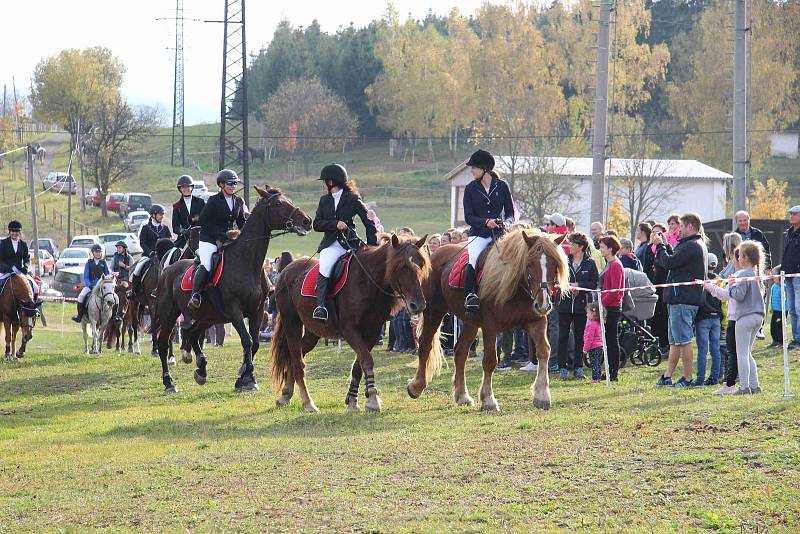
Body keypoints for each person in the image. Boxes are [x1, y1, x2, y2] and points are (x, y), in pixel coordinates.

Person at [311, 163, 377, 321]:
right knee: (325, 265)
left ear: (331, 182)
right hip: (331, 245)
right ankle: (321, 307)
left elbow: (369, 223)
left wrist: (372, 247)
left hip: (350, 244)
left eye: (325, 181)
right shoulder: (324, 200)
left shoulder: (353, 199)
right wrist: (335, 224)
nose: (323, 184)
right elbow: (317, 224)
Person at [653, 213, 708, 388]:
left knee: (683, 340)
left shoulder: (692, 246)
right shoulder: (689, 245)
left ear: (690, 227)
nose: (679, 229)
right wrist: (667, 245)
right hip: (678, 299)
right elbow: (675, 261)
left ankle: (687, 377)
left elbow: (669, 263)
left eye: (682, 226)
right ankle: (668, 375)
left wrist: (660, 246)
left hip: (683, 299)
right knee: (674, 341)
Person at [706, 241, 765, 394]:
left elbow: (739, 295)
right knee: (747, 352)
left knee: (742, 353)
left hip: (745, 316)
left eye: (740, 256)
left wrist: (732, 284)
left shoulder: (744, 274)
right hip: (758, 316)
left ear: (745, 257)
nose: (737, 258)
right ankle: (754, 385)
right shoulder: (755, 273)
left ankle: (744, 386)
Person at [461, 149, 515, 312]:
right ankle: (470, 295)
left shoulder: (502, 186)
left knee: (513, 258)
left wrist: (506, 222)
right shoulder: (470, 188)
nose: (472, 171)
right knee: (474, 258)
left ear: (484, 169)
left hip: (500, 233)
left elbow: (511, 212)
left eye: (474, 168)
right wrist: (485, 222)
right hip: (479, 233)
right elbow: (468, 217)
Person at [190, 169, 248, 310]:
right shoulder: (214, 200)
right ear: (221, 184)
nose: (233, 186)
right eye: (230, 183)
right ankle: (195, 294)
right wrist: (222, 235)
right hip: (208, 239)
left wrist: (245, 235)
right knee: (208, 263)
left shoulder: (238, 201)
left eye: (235, 183)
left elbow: (241, 222)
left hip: (228, 239)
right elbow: (203, 221)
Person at [556, 232, 598, 380]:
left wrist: (579, 286)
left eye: (572, 244)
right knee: (563, 336)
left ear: (580, 246)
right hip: (565, 305)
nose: (569, 246)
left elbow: (594, 283)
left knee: (580, 337)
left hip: (581, 306)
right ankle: (562, 367)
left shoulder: (590, 263)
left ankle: (578, 367)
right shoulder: (564, 261)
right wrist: (566, 287)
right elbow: (557, 279)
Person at [129, 204, 172, 297]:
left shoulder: (165, 228)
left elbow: (169, 242)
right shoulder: (146, 228)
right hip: (148, 255)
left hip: (163, 256)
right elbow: (142, 243)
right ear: (153, 215)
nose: (162, 216)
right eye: (160, 214)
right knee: (138, 269)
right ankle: (133, 291)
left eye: (162, 214)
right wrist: (150, 252)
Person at [597, 235, 624, 381]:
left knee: (612, 340)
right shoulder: (609, 264)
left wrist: (602, 304)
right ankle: (608, 370)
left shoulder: (615, 265)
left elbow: (616, 291)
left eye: (602, 247)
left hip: (612, 308)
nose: (600, 249)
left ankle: (613, 373)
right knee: (608, 340)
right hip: (607, 306)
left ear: (610, 248)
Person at [693, 252, 722, 386]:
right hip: (716, 318)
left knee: (703, 350)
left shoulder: (701, 280)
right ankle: (714, 378)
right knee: (715, 349)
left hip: (703, 318)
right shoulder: (720, 280)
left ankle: (700, 379)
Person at [0, 220, 41, 305]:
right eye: (12, 231)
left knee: (36, 287)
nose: (14, 233)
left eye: (16, 231)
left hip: (19, 272)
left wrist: (25, 267)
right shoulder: (3, 243)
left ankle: (33, 307)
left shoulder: (23, 244)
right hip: (5, 271)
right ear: (9, 231)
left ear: (19, 232)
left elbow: (26, 259)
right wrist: (9, 268)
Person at [72, 244, 110, 322]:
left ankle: (113, 316)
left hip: (102, 286)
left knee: (113, 297)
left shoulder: (104, 263)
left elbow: (107, 275)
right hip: (91, 286)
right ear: (93, 253)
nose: (98, 253)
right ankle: (79, 316)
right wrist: (89, 285)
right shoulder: (88, 263)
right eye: (96, 252)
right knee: (81, 296)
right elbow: (86, 276)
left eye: (99, 252)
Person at [171, 175, 206, 249]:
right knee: (172, 253)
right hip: (184, 238)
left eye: (187, 186)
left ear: (192, 187)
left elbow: (206, 219)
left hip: (200, 237)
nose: (185, 189)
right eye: (183, 187)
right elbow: (175, 227)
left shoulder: (201, 202)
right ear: (180, 189)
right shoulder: (177, 206)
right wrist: (184, 231)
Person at [583, 302, 604, 384]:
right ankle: (598, 378)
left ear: (593, 313)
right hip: (599, 346)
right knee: (597, 363)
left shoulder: (592, 325)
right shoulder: (598, 323)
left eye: (587, 313)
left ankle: (595, 379)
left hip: (594, 346)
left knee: (594, 363)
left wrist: (585, 349)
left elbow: (589, 338)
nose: (586, 315)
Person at [769, 277, 786, 348]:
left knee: (779, 326)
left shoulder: (784, 286)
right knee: (773, 326)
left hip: (781, 310)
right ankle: (775, 340)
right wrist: (771, 307)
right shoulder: (773, 286)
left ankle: (780, 341)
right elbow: (772, 297)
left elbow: (785, 298)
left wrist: (784, 309)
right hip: (775, 310)